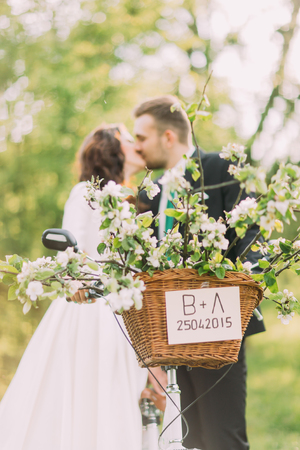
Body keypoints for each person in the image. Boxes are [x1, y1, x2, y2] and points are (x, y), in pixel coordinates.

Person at [0, 124, 148, 450]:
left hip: (130, 317)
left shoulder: (137, 202)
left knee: (126, 403)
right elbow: (71, 253)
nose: (138, 143)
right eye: (129, 138)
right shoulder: (85, 193)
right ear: (111, 149)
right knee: (89, 401)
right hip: (91, 312)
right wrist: (80, 279)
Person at [133, 96, 265, 450]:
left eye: (141, 138)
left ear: (169, 137)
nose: (136, 147)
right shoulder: (153, 192)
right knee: (192, 439)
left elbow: (250, 234)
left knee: (224, 436)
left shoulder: (220, 169)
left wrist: (249, 288)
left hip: (217, 320)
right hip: (170, 328)